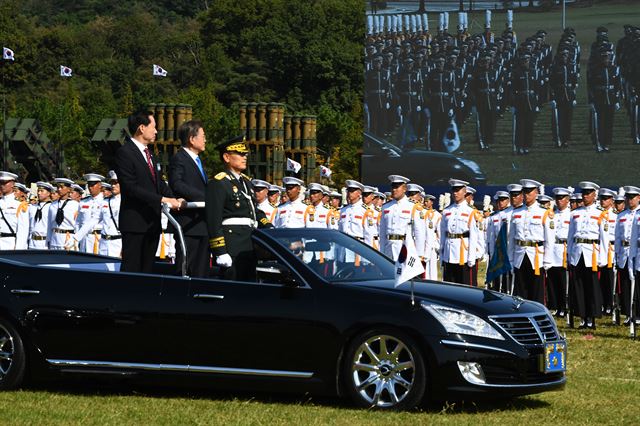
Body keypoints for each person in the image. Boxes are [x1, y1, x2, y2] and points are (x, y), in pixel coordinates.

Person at [114, 110, 183, 273]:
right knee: (132, 270)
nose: (156, 131)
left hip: (152, 222)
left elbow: (159, 183)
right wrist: (162, 200)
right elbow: (131, 188)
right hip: (135, 223)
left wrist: (176, 198)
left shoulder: (150, 154)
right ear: (142, 128)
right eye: (154, 127)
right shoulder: (124, 153)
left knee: (147, 269)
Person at [205, 136, 272, 281]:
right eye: (240, 154)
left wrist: (269, 227)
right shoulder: (219, 183)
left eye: (245, 154)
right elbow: (213, 220)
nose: (244, 157)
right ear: (227, 157)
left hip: (249, 244)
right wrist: (220, 251)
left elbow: (254, 211)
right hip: (232, 246)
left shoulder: (246, 182)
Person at [169, 120, 210, 278]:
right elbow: (176, 183)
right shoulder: (180, 158)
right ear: (192, 139)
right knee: (187, 269)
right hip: (188, 224)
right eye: (203, 136)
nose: (205, 140)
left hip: (201, 223)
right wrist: (206, 197)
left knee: (202, 270)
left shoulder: (197, 160)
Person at [566, 182, 608, 329]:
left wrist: (603, 258)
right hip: (578, 252)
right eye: (584, 193)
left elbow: (604, 238)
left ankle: (591, 318)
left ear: (594, 195)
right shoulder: (575, 213)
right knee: (579, 286)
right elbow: (570, 236)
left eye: (588, 193)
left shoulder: (600, 214)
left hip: (592, 253)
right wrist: (569, 255)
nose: (585, 196)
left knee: (592, 287)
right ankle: (582, 317)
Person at [507, 179, 555, 304]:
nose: (526, 195)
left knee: (536, 291)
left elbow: (549, 240)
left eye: (529, 192)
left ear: (536, 193)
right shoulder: (516, 213)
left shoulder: (544, 213)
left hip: (536, 256)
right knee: (519, 291)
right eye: (525, 192)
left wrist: (547, 260)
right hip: (519, 254)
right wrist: (510, 259)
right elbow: (511, 239)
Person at [439, 179, 479, 285]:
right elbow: (443, 233)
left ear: (465, 192)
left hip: (463, 254)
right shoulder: (447, 211)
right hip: (449, 253)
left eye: (458, 190)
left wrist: (471, 257)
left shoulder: (471, 211)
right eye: (454, 190)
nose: (455, 193)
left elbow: (474, 236)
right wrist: (442, 255)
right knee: (449, 285)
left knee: (465, 286)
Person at [379, 175, 426, 262]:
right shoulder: (386, 207)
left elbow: (419, 232)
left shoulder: (413, 206)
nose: (394, 190)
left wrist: (419, 255)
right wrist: (381, 251)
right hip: (388, 248)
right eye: (393, 187)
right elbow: (382, 232)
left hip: (405, 248)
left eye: (397, 187)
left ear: (404, 189)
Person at [616, 186, 640, 324]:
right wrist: (617, 255)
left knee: (637, 285)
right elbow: (618, 237)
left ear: (638, 198)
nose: (629, 200)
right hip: (624, 252)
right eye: (628, 198)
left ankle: (637, 314)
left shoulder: (638, 214)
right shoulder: (621, 215)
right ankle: (628, 313)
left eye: (632, 197)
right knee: (625, 284)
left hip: (636, 251)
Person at [547, 187, 572, 316]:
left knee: (563, 280)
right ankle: (554, 305)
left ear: (567, 200)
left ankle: (563, 306)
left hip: (563, 248)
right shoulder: (551, 214)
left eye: (561, 198)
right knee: (551, 279)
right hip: (552, 248)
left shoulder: (571, 214)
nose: (559, 201)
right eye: (557, 198)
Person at [73, 173, 105, 254]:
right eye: (89, 185)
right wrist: (77, 237)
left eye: (93, 185)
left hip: (98, 238)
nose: (90, 188)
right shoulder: (84, 201)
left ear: (99, 185)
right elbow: (78, 222)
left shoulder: (105, 201)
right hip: (84, 238)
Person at [47, 178, 80, 251]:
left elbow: (77, 225)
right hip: (54, 238)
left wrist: (75, 241)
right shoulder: (53, 205)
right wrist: (48, 240)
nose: (59, 189)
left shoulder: (75, 205)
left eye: (62, 187)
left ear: (69, 189)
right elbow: (49, 224)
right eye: (58, 187)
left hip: (68, 238)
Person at [0, 171, 29, 250]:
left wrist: (19, 250)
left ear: (13, 184)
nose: (2, 185)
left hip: (10, 244)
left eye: (4, 183)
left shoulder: (20, 204)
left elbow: (23, 231)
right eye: (1, 183)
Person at [99, 171, 122, 257]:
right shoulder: (105, 201)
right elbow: (93, 220)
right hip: (103, 243)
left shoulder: (128, 202)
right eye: (112, 183)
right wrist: (76, 238)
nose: (113, 185)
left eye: (116, 183)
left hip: (118, 243)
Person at [28, 181, 55, 249]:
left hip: (45, 243)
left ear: (49, 193)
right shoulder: (32, 207)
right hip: (32, 242)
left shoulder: (52, 207)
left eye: (42, 191)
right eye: (38, 191)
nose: (39, 193)